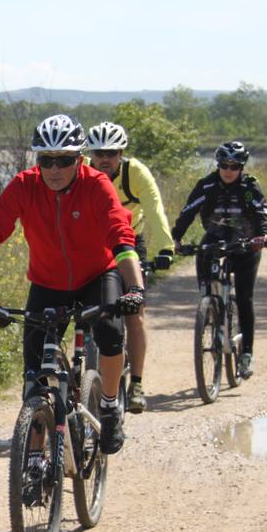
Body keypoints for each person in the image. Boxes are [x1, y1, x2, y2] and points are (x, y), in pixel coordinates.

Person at [0, 114, 145, 454]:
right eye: (46, 160)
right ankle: (34, 459)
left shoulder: (96, 185)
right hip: (47, 282)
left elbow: (121, 235)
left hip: (97, 275)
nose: (54, 169)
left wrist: (135, 289)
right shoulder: (25, 186)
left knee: (110, 334)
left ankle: (110, 404)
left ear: (79, 159)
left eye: (65, 160)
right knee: (35, 377)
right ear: (37, 161)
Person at [84, 121, 175, 414]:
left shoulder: (134, 173)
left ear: (121, 153)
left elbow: (154, 207)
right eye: (99, 152)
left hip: (130, 240)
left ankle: (136, 383)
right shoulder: (83, 171)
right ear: (91, 154)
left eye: (111, 152)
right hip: (95, 242)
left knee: (135, 314)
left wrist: (165, 248)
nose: (105, 158)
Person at [170, 140, 267, 379]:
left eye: (234, 166)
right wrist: (174, 238)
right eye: (224, 165)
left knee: (245, 298)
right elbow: (188, 212)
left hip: (245, 243)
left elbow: (259, 212)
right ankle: (210, 313)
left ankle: (246, 353)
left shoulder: (249, 186)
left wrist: (262, 236)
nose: (228, 170)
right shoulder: (206, 185)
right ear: (218, 165)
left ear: (242, 167)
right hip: (214, 238)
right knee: (205, 287)